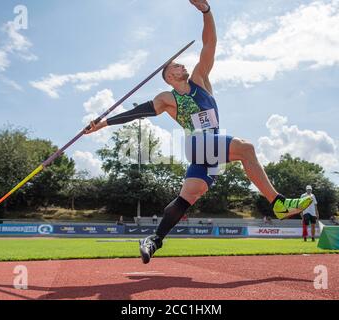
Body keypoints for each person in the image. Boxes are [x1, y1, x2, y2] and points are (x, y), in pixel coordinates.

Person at [85, 0, 313, 264]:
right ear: (169, 76)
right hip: (197, 144)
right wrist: (102, 123)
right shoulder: (166, 98)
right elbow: (138, 113)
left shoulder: (200, 79)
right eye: (175, 67)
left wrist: (206, 11)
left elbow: (209, 44)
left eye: (181, 65)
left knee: (189, 195)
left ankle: (153, 240)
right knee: (246, 148)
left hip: (211, 150)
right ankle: (278, 203)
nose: (182, 67)